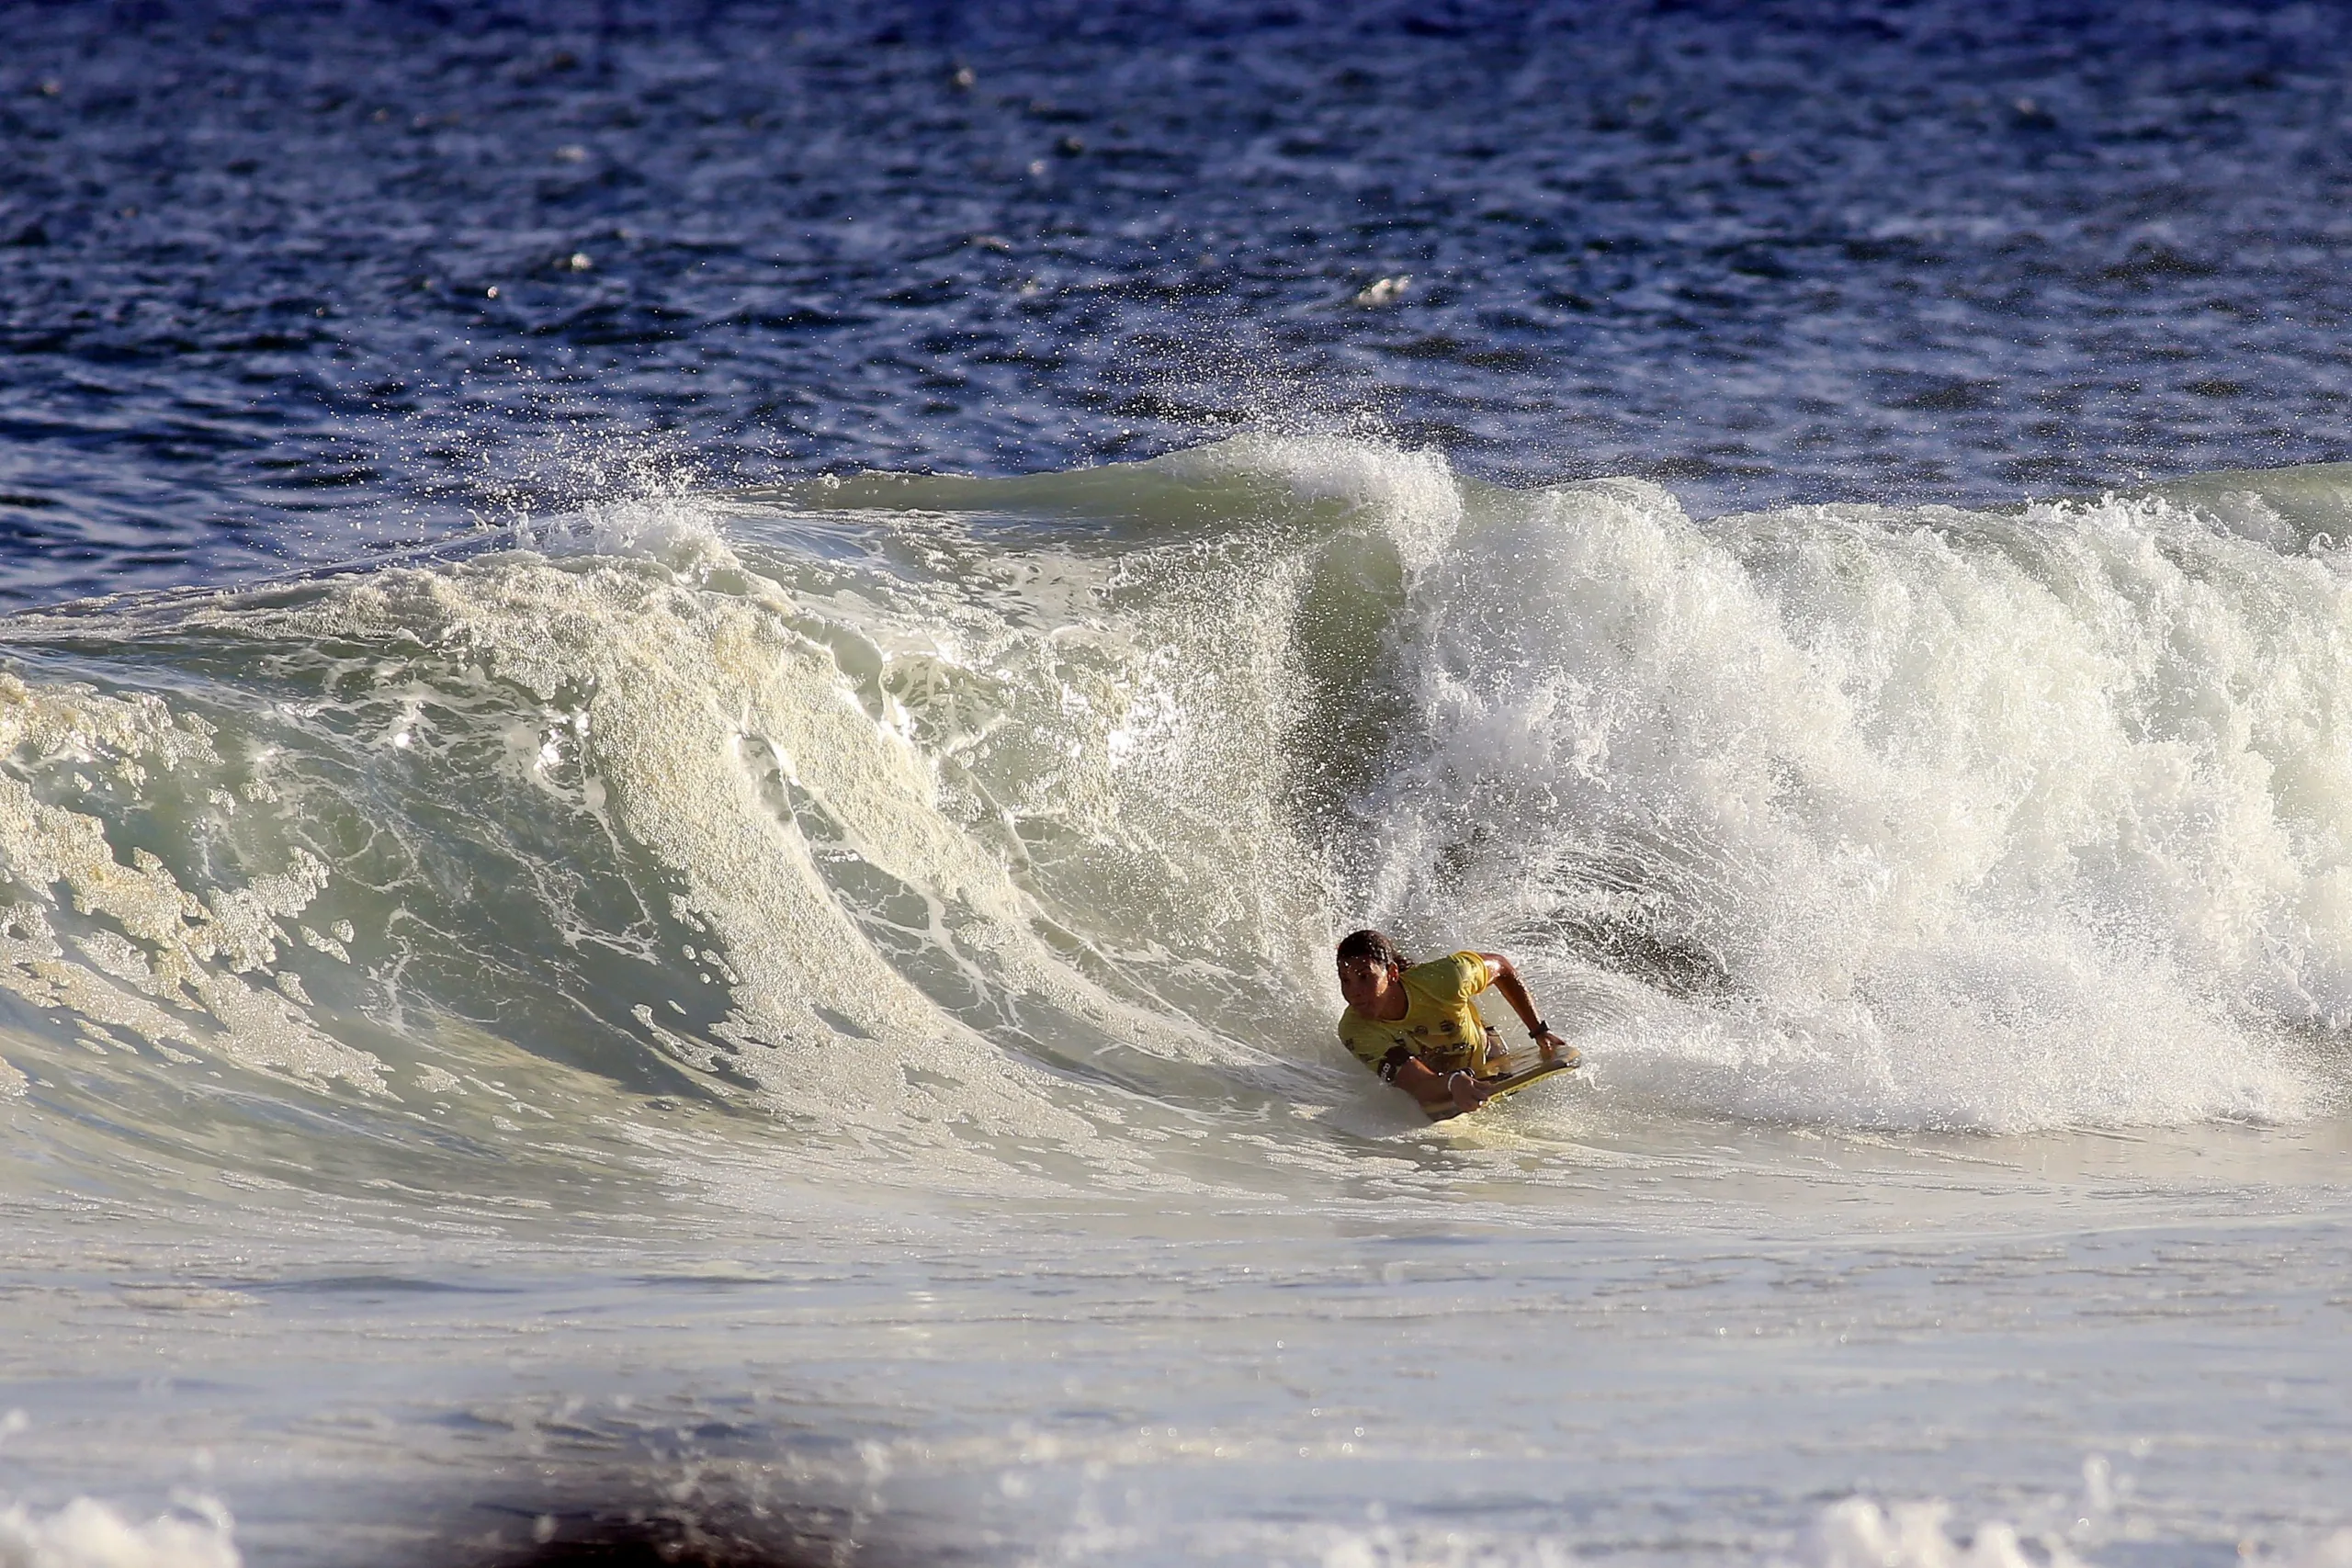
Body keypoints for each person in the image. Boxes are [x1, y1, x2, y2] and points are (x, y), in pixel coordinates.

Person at [1334, 929, 1577, 1115]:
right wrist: (1453, 1082)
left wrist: (1538, 1030)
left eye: (1365, 977)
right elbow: (1418, 1085)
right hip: (1435, 1076)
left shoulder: (1447, 978)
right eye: (1345, 980)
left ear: (1392, 973)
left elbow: (1502, 967)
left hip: (1488, 1054)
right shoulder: (1355, 1029)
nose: (1354, 992)